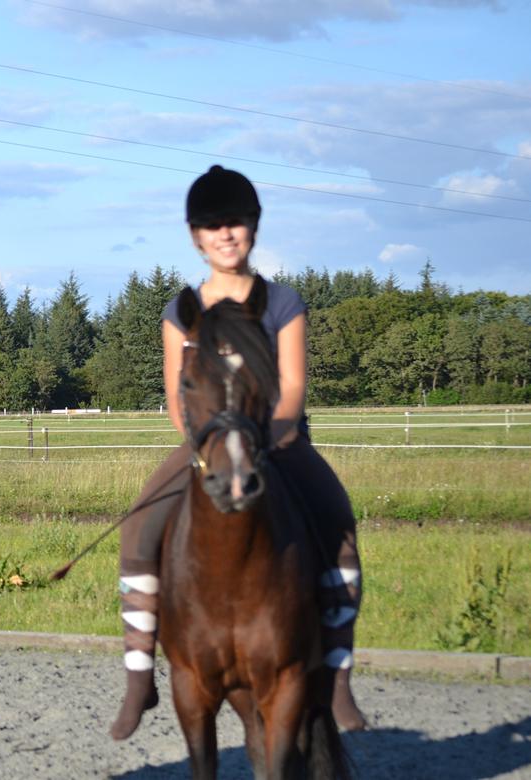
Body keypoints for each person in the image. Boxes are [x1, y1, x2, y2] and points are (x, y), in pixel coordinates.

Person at [111, 165, 366, 740]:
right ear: (196, 237)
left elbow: (294, 383)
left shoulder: (281, 302)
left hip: (276, 439)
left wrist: (270, 438)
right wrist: (201, 442)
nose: (227, 234)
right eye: (213, 225)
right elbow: (179, 392)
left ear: (253, 228)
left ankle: (338, 676)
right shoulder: (182, 310)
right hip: (206, 444)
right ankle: (138, 676)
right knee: (139, 527)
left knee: (336, 517)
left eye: (237, 223)